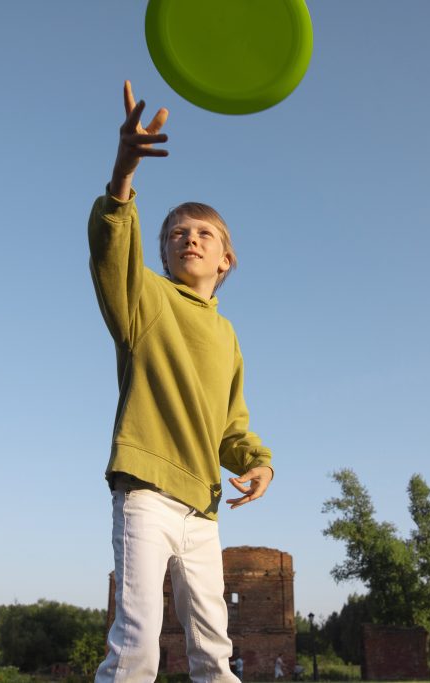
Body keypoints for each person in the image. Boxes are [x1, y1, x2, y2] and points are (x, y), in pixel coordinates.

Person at [90, 81, 274, 683]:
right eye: (177, 235)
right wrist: (123, 175)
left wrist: (258, 463)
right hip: (145, 489)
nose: (189, 238)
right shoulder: (145, 299)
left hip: (203, 508)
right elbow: (113, 250)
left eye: (204, 234)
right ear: (165, 255)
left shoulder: (228, 336)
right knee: (137, 645)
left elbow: (233, 424)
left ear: (226, 260)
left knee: (215, 656)